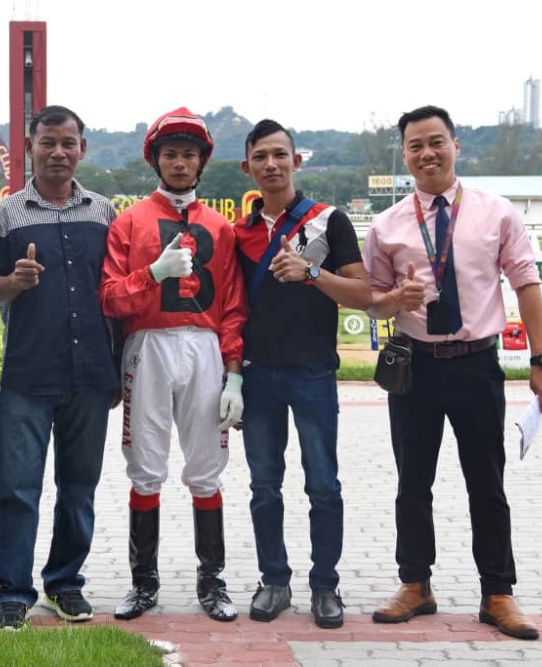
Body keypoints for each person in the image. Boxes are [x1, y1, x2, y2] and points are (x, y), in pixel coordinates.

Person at [362, 105, 542, 640]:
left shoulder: (497, 213)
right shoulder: (386, 225)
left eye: (435, 142)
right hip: (415, 367)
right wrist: (390, 299)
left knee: (486, 481)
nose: (426, 154)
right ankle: (415, 584)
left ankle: (498, 592)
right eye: (414, 146)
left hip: (476, 365)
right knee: (412, 483)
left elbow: (526, 286)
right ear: (403, 155)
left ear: (455, 145)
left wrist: (541, 362)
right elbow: (373, 303)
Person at [98, 107, 247, 623]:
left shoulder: (220, 227)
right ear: (155, 160)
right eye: (170, 154)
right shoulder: (130, 221)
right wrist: (152, 274)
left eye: (188, 154)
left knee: (206, 470)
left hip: (204, 348)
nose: (179, 163)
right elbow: (111, 298)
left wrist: (235, 373)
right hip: (149, 347)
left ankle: (213, 583)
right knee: (146, 470)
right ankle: (143, 584)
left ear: (202, 161)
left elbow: (232, 304)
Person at [0, 105, 120, 630]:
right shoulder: (7, 215)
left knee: (79, 486)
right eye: (47, 142)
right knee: (16, 487)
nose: (58, 152)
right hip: (28, 374)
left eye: (68, 143)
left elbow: (117, 293)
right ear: (29, 149)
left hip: (90, 373)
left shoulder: (104, 213)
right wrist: (15, 281)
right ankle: (13, 592)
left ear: (82, 148)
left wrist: (116, 369)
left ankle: (64, 584)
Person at [233, 119, 371, 629]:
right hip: (257, 373)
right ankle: (274, 579)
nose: (271, 164)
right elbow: (230, 307)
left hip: (313, 374)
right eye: (261, 157)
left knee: (324, 485)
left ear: (296, 160)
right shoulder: (238, 233)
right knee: (264, 485)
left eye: (280, 154)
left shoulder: (328, 221)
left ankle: (325, 585)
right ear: (247, 167)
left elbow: (364, 294)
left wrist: (311, 273)